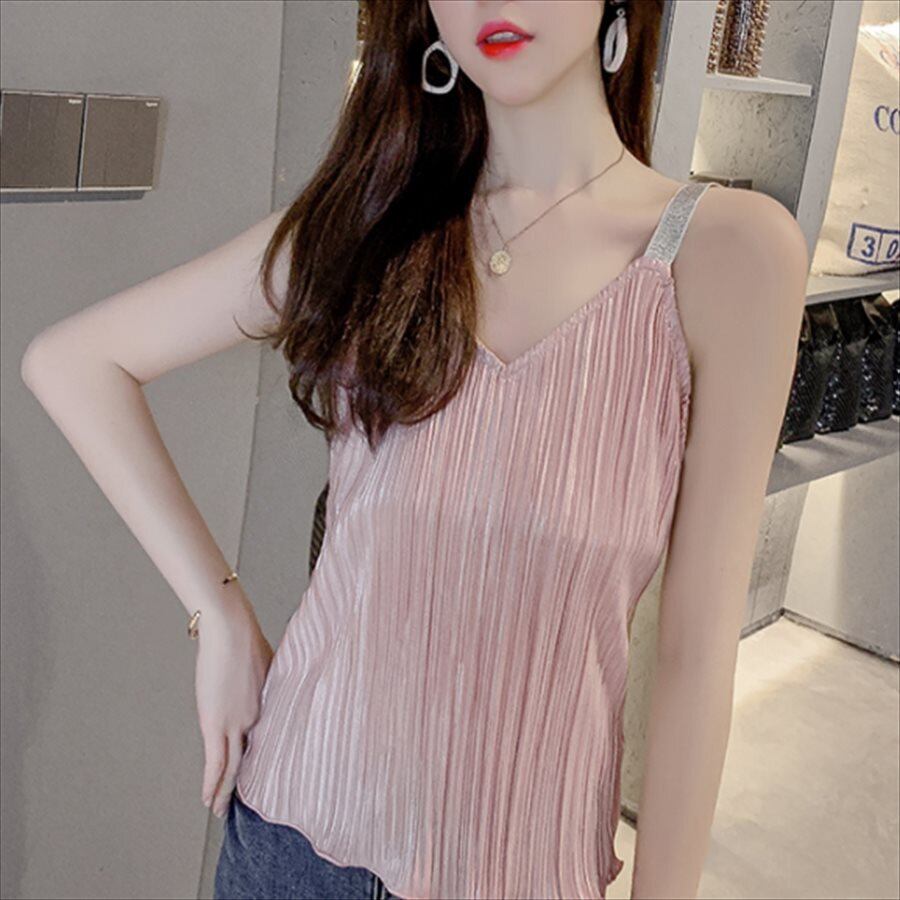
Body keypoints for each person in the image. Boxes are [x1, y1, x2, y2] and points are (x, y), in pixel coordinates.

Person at [20, 1, 810, 898]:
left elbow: (697, 650)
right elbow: (74, 363)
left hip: (520, 869)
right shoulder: (372, 229)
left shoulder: (728, 254)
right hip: (292, 844)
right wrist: (220, 616)